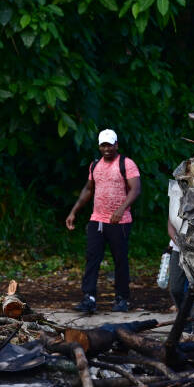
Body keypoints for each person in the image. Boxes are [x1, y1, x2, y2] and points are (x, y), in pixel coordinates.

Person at [65, 129, 141, 313]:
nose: (106, 148)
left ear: (116, 145)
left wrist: (121, 209)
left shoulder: (126, 164)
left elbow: (136, 189)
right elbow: (88, 189)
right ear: (99, 146)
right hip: (97, 219)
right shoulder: (95, 165)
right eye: (103, 145)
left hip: (119, 222)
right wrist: (73, 211)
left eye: (110, 144)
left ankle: (122, 299)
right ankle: (89, 298)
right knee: (92, 258)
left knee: (120, 260)